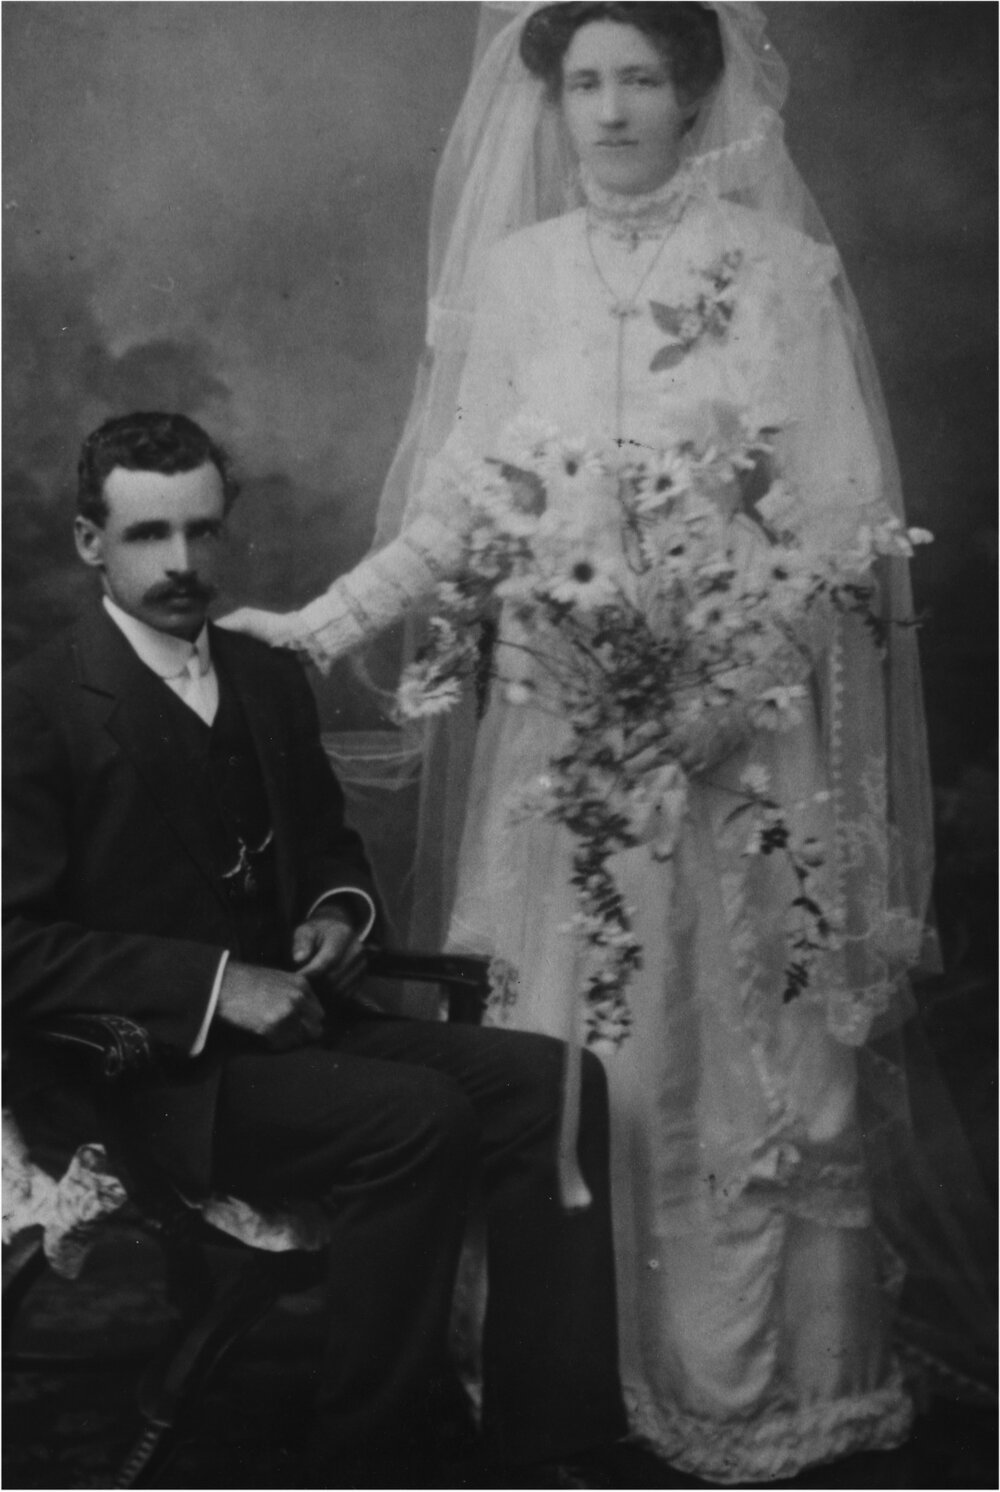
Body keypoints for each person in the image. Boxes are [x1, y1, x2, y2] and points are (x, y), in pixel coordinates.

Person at [221, 5, 992, 1483]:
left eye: (644, 77)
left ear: (697, 92)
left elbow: (834, 520)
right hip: (564, 748)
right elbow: (461, 505)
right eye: (587, 82)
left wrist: (721, 695)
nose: (615, 108)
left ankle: (743, 1379)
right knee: (571, 1040)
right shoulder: (519, 279)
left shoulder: (775, 273)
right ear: (553, 103)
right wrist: (319, 626)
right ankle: (567, 1375)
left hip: (732, 749)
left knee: (729, 1041)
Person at [2, 410, 629, 1486]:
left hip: (303, 1038)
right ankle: (370, 1457)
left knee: (555, 1082)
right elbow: (11, 947)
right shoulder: (35, 703)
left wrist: (340, 915)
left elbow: (331, 844)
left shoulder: (262, 674)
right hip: (147, 1076)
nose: (183, 563)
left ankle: (546, 1441)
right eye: (150, 535)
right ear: (89, 542)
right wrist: (216, 985)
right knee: (415, 1119)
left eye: (203, 532)